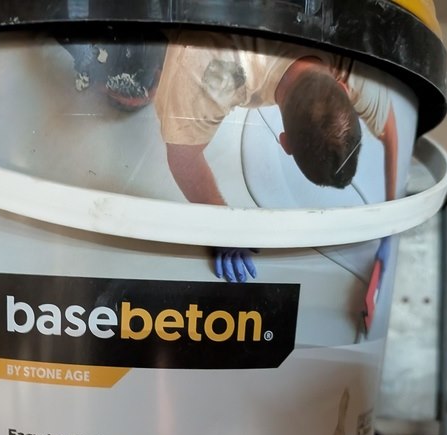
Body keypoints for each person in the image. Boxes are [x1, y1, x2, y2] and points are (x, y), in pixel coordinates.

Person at [153, 31, 399, 283]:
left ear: (344, 88)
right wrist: (222, 225)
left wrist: (392, 226)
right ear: (284, 142)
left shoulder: (355, 60)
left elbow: (388, 128)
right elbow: (182, 159)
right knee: (138, 90)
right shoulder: (214, 69)